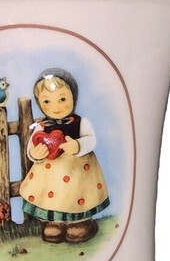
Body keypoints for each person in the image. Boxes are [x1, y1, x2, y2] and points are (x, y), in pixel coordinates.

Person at [19, 68, 110, 243]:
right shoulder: (41, 126)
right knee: (53, 197)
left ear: (73, 98)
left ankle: (80, 223)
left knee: (77, 195)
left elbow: (91, 140)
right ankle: (55, 223)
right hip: (50, 173)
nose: (56, 107)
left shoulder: (81, 123)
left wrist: (78, 145)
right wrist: (35, 153)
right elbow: (32, 146)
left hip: (78, 171)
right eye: (47, 101)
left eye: (62, 99)